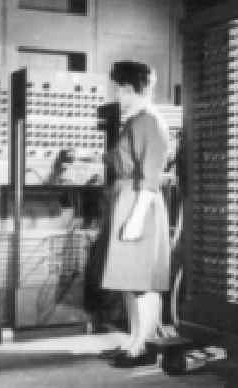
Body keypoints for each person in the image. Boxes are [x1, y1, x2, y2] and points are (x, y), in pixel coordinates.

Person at [100, 60, 170, 367]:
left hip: (140, 202)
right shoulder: (136, 121)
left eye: (119, 89)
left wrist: (137, 219)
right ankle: (134, 340)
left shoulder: (148, 122)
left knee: (142, 281)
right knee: (130, 279)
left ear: (130, 88)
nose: (116, 94)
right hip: (128, 199)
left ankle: (143, 346)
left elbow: (150, 177)